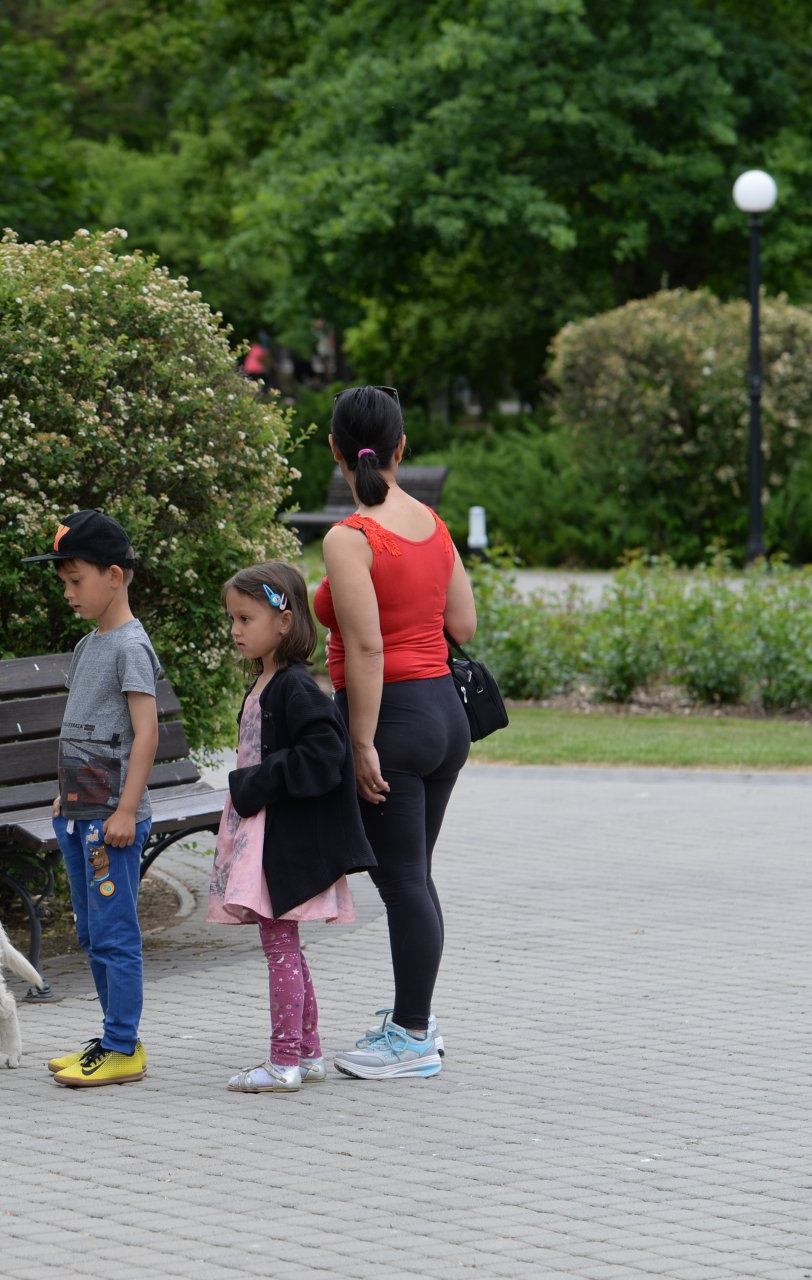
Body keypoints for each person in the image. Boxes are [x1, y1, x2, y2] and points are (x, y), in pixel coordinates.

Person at [315, 384, 477, 1080]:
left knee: (403, 880)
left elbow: (366, 647)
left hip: (394, 724)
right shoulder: (433, 524)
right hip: (445, 717)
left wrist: (361, 742)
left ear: (335, 450)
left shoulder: (350, 538)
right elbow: (463, 624)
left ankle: (411, 1036)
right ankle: (418, 1021)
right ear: (401, 447)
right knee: (414, 876)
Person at [209, 562, 376, 1093]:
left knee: (280, 945)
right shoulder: (266, 682)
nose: (235, 629)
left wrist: (257, 781)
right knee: (284, 944)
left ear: (283, 622)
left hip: (278, 841)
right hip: (262, 834)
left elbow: (326, 754)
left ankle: (283, 1062)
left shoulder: (295, 687)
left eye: (246, 618)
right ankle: (307, 1054)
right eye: (232, 619)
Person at [23, 509, 159, 1088]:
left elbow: (146, 733)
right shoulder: (88, 645)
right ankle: (114, 1036)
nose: (69, 592)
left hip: (112, 822)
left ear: (114, 576)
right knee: (90, 931)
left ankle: (122, 1045)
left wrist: (126, 809)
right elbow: (83, 725)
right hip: (79, 815)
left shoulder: (131, 646)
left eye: (76, 580)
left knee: (114, 933)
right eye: (64, 582)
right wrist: (65, 794)